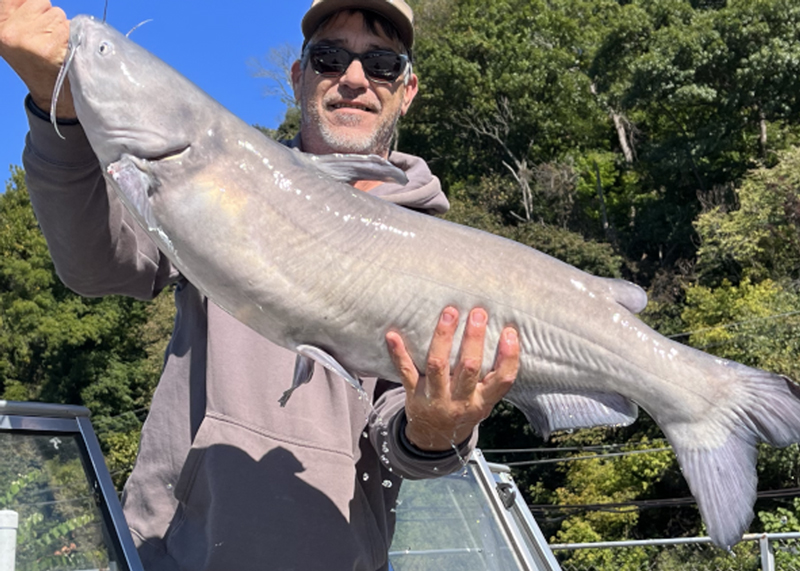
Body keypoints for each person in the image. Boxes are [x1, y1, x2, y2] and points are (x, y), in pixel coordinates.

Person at [0, 0, 520, 569]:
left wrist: (432, 430)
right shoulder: (219, 181)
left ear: (408, 89)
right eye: (329, 57)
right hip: (171, 554)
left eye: (381, 64)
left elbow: (403, 453)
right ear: (299, 76)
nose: (352, 79)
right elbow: (94, 265)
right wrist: (62, 114)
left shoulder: (445, 257)